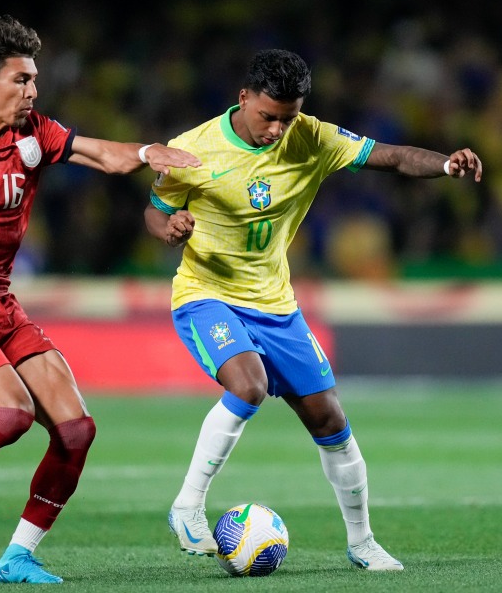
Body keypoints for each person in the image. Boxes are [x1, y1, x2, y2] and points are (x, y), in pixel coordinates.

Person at [0, 14, 200, 584]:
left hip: (0, 302)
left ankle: (17, 556)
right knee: (10, 414)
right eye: (21, 80)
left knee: (76, 430)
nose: (32, 90)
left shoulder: (36, 134)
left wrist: (150, 152)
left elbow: (102, 154)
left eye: (33, 80)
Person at [144, 48, 482, 571]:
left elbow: (391, 157)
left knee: (330, 419)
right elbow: (156, 208)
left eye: (288, 117)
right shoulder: (193, 149)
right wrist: (170, 229)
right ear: (243, 98)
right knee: (248, 385)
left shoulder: (315, 137)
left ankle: (362, 542)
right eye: (267, 116)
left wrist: (443, 163)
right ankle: (187, 505)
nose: (277, 129)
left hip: (276, 304)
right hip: (206, 292)